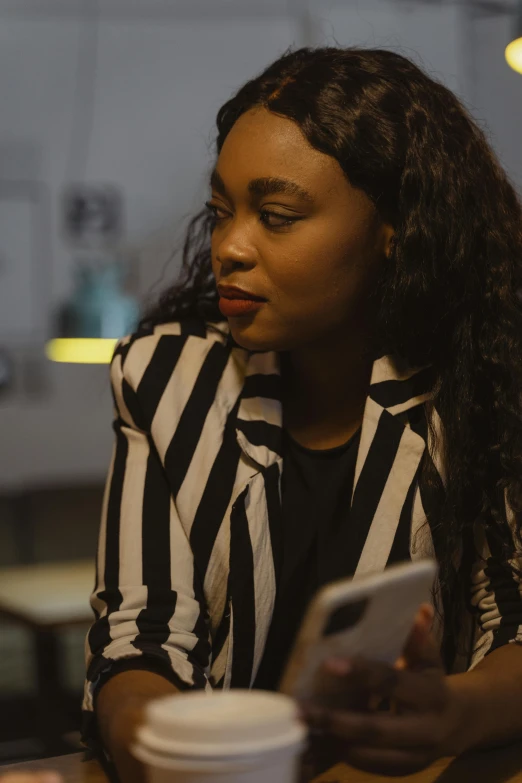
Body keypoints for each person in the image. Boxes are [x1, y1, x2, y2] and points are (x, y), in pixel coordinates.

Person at [82, 46, 522, 783]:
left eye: (276, 215)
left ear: (394, 229)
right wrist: (160, 747)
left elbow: (513, 612)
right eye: (221, 211)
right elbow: (139, 640)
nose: (229, 247)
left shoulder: (482, 383)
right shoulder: (166, 381)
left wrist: (454, 711)